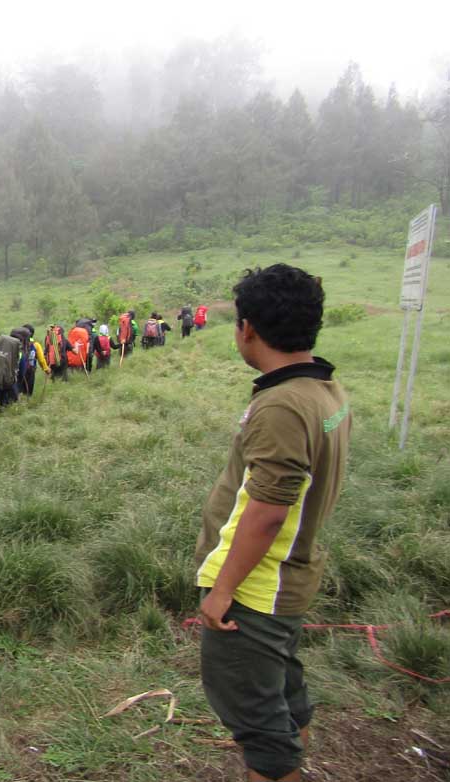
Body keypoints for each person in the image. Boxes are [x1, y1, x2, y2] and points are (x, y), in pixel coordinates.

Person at [195, 264, 351, 782]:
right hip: (287, 579)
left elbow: (266, 513)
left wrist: (222, 591)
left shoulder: (282, 405)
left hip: (255, 591)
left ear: (248, 329)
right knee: (283, 694)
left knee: (261, 730)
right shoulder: (323, 390)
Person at [19, 324, 51, 395]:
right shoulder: (36, 345)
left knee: (18, 391)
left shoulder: (17, 343)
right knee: (28, 393)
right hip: (30, 371)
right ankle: (27, 403)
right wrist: (46, 369)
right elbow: (41, 360)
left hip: (18, 371)